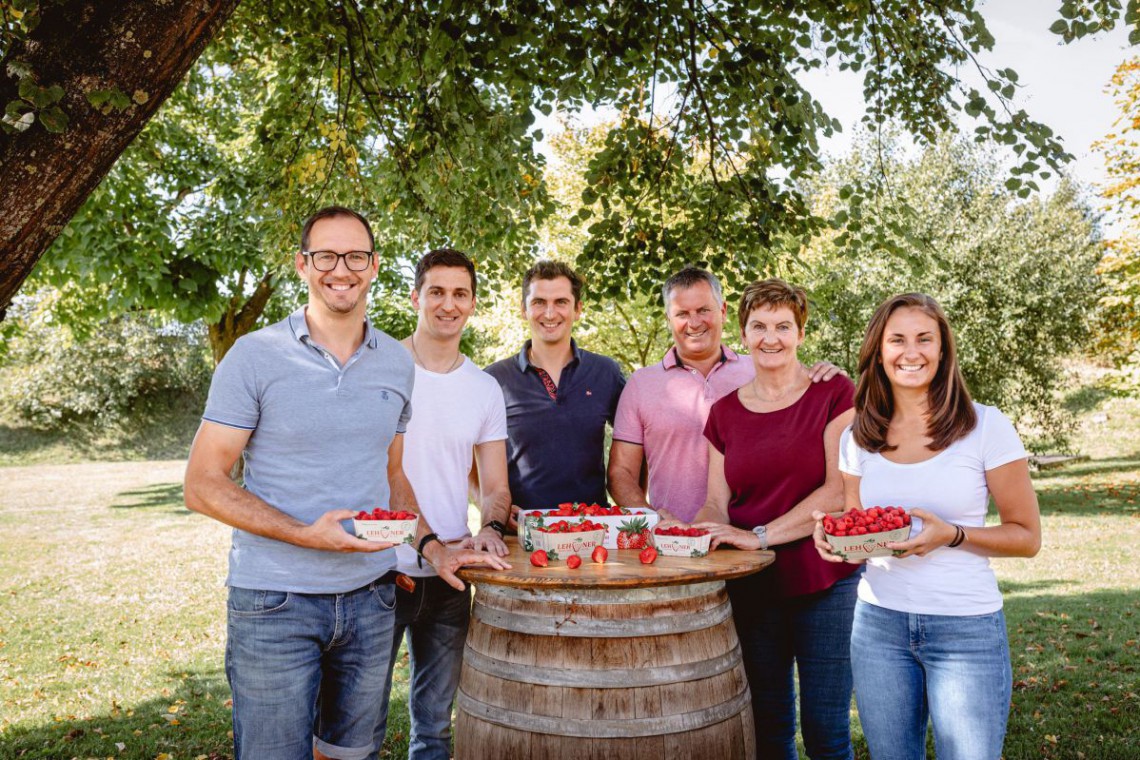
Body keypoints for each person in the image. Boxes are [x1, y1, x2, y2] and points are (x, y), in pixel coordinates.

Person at [183, 206, 509, 760]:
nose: (342, 269)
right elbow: (202, 484)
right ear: (302, 265)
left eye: (355, 255)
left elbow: (393, 475)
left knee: (350, 754)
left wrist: (430, 547)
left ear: (374, 266)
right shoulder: (255, 355)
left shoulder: (393, 363)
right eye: (326, 256)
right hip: (275, 599)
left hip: (370, 599)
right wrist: (306, 534)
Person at [813, 293, 1041, 760]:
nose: (910, 352)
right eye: (897, 339)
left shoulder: (986, 427)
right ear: (879, 351)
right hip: (878, 624)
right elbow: (861, 533)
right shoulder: (857, 436)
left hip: (966, 628)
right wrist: (837, 540)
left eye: (924, 339)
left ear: (943, 350)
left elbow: (1026, 537)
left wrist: (954, 535)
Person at [692, 278, 860, 760]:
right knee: (768, 732)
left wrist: (758, 536)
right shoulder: (723, 414)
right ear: (742, 333)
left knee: (827, 733)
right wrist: (699, 530)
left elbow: (837, 492)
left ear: (801, 334)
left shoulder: (833, 393)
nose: (771, 337)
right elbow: (716, 502)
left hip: (826, 579)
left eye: (783, 326)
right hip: (754, 586)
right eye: (759, 326)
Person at [373, 248, 511, 760]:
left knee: (434, 731)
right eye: (436, 292)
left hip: (451, 580)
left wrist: (492, 526)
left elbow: (495, 486)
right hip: (377, 572)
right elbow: (384, 474)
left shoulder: (484, 388)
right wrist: (427, 545)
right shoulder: (380, 368)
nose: (447, 304)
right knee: (357, 724)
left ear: (473, 303)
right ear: (416, 297)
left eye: (459, 294)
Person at [608, 265, 841, 522]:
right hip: (674, 542)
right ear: (668, 319)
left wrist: (824, 373)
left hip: (760, 536)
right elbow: (621, 473)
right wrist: (652, 520)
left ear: (722, 311)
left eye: (703, 310)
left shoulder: (760, 367)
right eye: (682, 313)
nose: (694, 322)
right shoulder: (641, 384)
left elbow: (806, 395)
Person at [484, 260, 625, 509]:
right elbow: (469, 462)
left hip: (593, 532)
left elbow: (636, 444)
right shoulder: (494, 379)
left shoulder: (606, 372)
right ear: (523, 310)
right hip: (519, 536)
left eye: (561, 302)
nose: (550, 314)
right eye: (539, 302)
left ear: (578, 309)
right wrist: (495, 510)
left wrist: (634, 503)